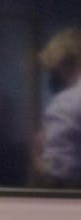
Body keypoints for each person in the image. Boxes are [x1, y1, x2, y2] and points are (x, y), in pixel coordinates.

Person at [36, 26, 81, 186]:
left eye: (52, 69)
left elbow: (55, 170)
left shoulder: (65, 104)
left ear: (64, 64)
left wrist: (37, 157)